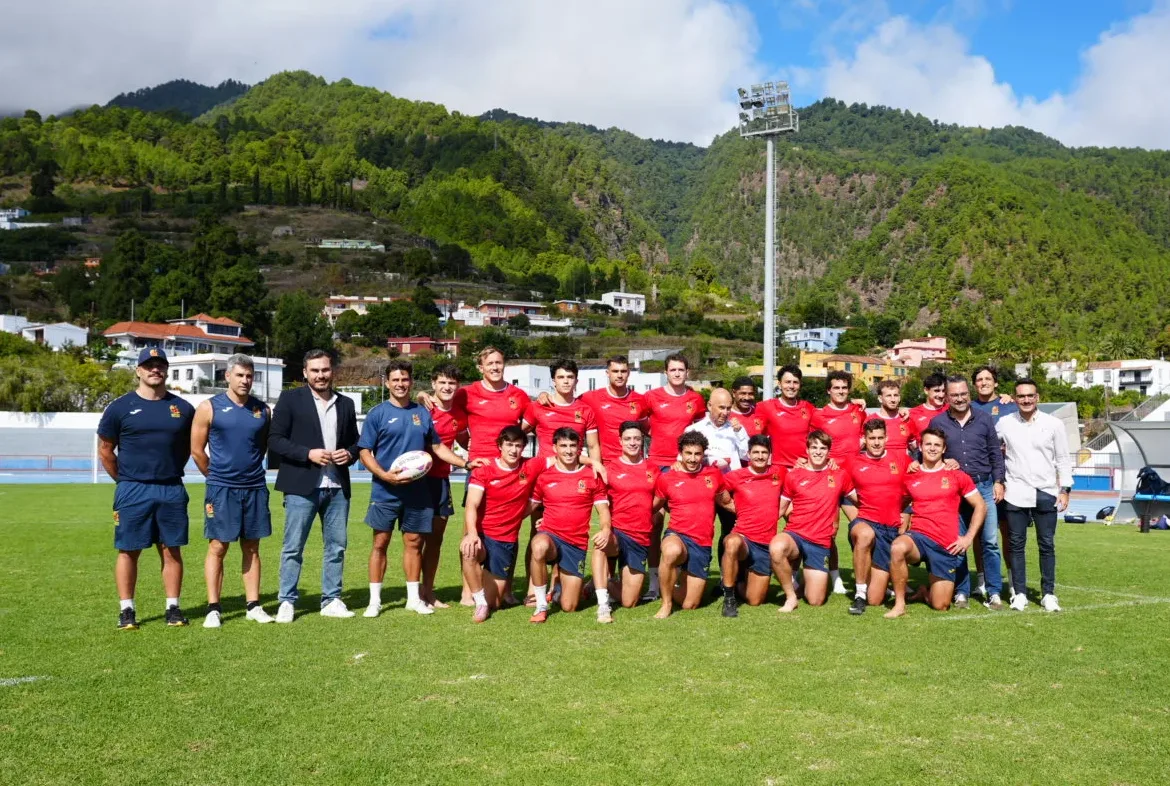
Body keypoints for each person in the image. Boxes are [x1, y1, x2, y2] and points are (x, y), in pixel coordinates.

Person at [358, 359, 480, 617]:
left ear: (411, 382)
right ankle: (374, 601)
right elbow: (365, 451)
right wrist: (384, 475)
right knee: (380, 542)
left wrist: (465, 463)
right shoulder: (377, 413)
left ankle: (414, 599)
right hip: (385, 490)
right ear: (387, 383)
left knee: (414, 542)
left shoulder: (422, 413)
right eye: (396, 380)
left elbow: (437, 447)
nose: (400, 384)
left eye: (405, 379)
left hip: (418, 490)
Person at [98, 348, 195, 630]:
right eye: (149, 365)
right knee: (128, 550)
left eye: (160, 365)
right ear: (138, 371)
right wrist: (124, 480)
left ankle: (173, 608)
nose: (155, 370)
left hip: (171, 488)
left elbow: (187, 448)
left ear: (166, 370)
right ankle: (126, 610)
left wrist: (169, 470)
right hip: (133, 489)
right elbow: (106, 450)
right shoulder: (119, 407)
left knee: (171, 550)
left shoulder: (183, 408)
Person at [269, 349, 361, 622]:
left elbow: (356, 442)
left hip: (337, 486)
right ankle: (287, 601)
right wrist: (307, 453)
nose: (321, 375)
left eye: (325, 370)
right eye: (315, 370)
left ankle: (331, 599)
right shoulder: (290, 399)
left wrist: (350, 454)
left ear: (332, 371)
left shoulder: (345, 403)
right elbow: (275, 439)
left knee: (336, 547)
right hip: (301, 486)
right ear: (305, 373)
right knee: (293, 547)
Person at [189, 353, 274, 628]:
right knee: (218, 546)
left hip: (255, 487)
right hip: (222, 489)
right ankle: (214, 608)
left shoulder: (263, 410)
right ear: (227, 376)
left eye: (249, 376)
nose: (245, 380)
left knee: (252, 547)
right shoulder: (208, 407)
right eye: (240, 375)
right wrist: (215, 476)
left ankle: (253, 605)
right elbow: (196, 450)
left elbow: (262, 447)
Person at [885, 428, 985, 618]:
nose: (932, 448)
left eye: (937, 445)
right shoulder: (910, 476)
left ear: (944, 448)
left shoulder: (957, 475)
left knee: (941, 605)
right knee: (898, 547)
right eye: (928, 444)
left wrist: (968, 538)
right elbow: (900, 503)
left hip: (945, 543)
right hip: (918, 537)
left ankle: (924, 592)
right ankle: (899, 605)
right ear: (920, 446)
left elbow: (980, 505)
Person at [928, 376, 1006, 610]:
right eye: (954, 395)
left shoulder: (984, 419)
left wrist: (999, 481)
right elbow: (930, 451)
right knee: (957, 542)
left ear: (969, 394)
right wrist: (944, 460)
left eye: (963, 394)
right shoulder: (938, 421)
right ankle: (961, 591)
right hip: (954, 491)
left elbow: (995, 453)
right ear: (947, 397)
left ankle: (994, 592)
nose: (959, 398)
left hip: (983, 487)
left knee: (990, 542)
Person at [995, 378, 1072, 612]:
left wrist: (1065, 489)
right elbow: (990, 447)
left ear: (1037, 397)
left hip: (1046, 492)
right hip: (1015, 492)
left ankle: (1048, 594)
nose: (1026, 400)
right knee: (1016, 545)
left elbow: (1063, 458)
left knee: (1046, 545)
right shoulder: (1004, 423)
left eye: (1030, 395)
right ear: (1014, 399)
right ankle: (1019, 594)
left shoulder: (1054, 424)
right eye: (1021, 396)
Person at [459, 427, 546, 623]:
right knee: (468, 550)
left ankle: (487, 587)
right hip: (482, 534)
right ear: (500, 446)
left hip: (504, 539)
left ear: (524, 447)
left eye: (518, 446)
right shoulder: (485, 469)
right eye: (509, 445)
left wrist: (593, 462)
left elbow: (563, 458)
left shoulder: (530, 465)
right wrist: (472, 533)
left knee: (495, 602)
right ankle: (479, 601)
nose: (513, 450)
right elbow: (472, 504)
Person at [527, 428, 611, 623]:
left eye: (573, 446)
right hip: (550, 535)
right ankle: (541, 606)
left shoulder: (592, 476)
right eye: (563, 446)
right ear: (554, 448)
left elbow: (603, 510)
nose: (568, 450)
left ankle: (557, 589)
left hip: (575, 543)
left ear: (579, 448)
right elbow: (530, 507)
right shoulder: (544, 476)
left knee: (569, 606)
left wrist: (606, 529)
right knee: (538, 545)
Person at [642, 353, 706, 600]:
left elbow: (702, 428)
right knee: (655, 522)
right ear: (666, 372)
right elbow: (639, 422)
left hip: (685, 468)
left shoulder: (695, 399)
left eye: (681, 370)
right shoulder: (652, 397)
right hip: (657, 466)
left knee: (685, 522)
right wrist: (654, 435)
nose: (677, 373)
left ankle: (679, 575)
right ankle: (654, 582)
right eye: (673, 370)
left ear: (687, 372)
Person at [771, 431, 855, 612]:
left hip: (820, 541)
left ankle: (803, 581)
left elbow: (859, 500)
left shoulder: (840, 475)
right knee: (777, 548)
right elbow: (780, 509)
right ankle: (791, 597)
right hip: (795, 534)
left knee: (815, 600)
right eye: (814, 447)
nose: (818, 452)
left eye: (823, 448)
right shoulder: (793, 475)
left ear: (828, 452)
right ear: (807, 450)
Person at [652, 431, 732, 618]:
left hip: (702, 542)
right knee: (671, 551)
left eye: (697, 454)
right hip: (677, 535)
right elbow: (654, 506)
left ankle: (675, 575)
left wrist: (756, 514)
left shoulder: (713, 475)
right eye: (688, 453)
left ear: (703, 454)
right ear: (680, 453)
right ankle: (666, 604)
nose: (693, 458)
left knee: (690, 604)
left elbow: (726, 502)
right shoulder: (667, 477)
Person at [591, 421, 660, 613]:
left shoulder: (652, 469)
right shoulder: (609, 469)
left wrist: (647, 510)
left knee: (629, 602)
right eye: (628, 439)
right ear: (620, 441)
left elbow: (662, 496)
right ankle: (603, 603)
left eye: (636, 438)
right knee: (601, 544)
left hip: (640, 537)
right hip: (617, 532)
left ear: (642, 440)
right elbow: (594, 499)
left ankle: (603, 581)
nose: (632, 442)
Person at [843, 419, 910, 615]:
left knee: (875, 599)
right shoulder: (852, 462)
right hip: (866, 521)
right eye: (872, 438)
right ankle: (859, 595)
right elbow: (837, 483)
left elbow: (916, 485)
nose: (877, 442)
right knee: (864, 535)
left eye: (880, 437)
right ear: (864, 439)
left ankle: (880, 583)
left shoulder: (902, 460)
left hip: (890, 528)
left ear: (887, 438)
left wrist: (906, 513)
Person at [810, 370, 866, 596]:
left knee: (864, 529)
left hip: (854, 481)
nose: (841, 391)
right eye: (836, 388)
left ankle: (867, 575)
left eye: (844, 388)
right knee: (829, 531)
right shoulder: (818, 415)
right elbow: (812, 446)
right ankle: (835, 577)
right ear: (828, 390)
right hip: (830, 481)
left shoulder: (858, 411)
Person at [719, 435, 785, 617]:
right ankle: (729, 597)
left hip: (765, 543)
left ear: (770, 455)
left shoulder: (779, 473)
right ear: (748, 454)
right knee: (731, 542)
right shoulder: (736, 476)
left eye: (764, 452)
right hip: (743, 538)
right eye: (756, 452)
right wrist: (734, 507)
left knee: (754, 601)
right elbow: (718, 490)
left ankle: (738, 577)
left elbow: (797, 481)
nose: (760, 456)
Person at [422, 364, 469, 608]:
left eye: (451, 383)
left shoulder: (460, 416)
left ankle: (428, 592)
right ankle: (415, 593)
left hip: (441, 481)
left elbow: (465, 439)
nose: (447, 387)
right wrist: (420, 395)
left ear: (457, 386)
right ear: (433, 384)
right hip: (417, 481)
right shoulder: (423, 408)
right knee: (415, 540)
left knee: (435, 540)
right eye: (442, 382)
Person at [683, 387, 749, 562]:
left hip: (729, 489)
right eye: (721, 407)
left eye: (728, 408)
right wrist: (707, 460)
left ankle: (726, 575)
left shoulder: (736, 429)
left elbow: (747, 455)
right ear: (709, 405)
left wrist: (739, 433)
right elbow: (683, 460)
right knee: (699, 531)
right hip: (702, 489)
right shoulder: (694, 430)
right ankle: (695, 570)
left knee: (730, 533)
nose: (725, 412)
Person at [970, 365, 1018, 593]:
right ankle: (982, 580)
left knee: (1008, 532)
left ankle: (1013, 580)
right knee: (979, 532)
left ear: (996, 383)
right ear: (974, 384)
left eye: (988, 379)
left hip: (1007, 478)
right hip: (979, 479)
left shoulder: (1009, 406)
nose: (984, 383)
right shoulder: (968, 407)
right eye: (979, 379)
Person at [521, 358, 603, 467]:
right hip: (545, 472)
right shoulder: (538, 406)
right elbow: (516, 435)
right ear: (553, 381)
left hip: (574, 471)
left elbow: (593, 446)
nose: (566, 381)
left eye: (570, 377)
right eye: (561, 377)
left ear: (576, 381)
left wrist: (597, 470)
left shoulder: (586, 410)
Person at [578, 355, 651, 467]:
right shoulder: (591, 397)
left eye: (623, 371)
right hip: (606, 464)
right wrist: (548, 397)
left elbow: (648, 429)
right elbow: (567, 403)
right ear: (608, 373)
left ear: (629, 373)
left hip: (633, 463)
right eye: (615, 371)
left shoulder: (640, 399)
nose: (620, 375)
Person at [758, 365, 817, 472]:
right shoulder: (766, 407)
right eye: (787, 382)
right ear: (779, 384)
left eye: (795, 382)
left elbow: (818, 438)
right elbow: (754, 435)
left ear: (800, 384)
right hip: (778, 469)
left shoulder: (809, 408)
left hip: (804, 468)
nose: (791, 386)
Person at [871, 379, 919, 456]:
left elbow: (915, 447)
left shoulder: (907, 419)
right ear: (880, 398)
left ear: (899, 397)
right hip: (880, 463)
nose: (893, 399)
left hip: (903, 463)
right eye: (888, 396)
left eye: (896, 395)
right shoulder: (870, 420)